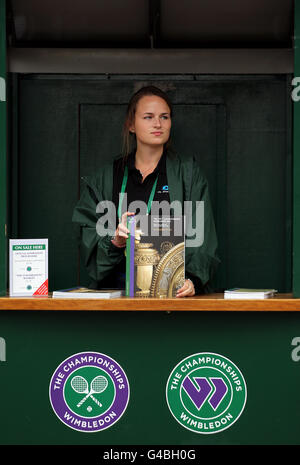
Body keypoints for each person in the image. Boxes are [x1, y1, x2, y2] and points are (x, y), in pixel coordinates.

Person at [72, 85, 219, 297]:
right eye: (148, 117)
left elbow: (204, 239)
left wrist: (193, 280)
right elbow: (88, 246)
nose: (158, 124)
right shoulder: (105, 178)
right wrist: (115, 241)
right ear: (131, 124)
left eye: (165, 117)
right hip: (116, 297)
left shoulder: (188, 174)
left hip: (172, 294)